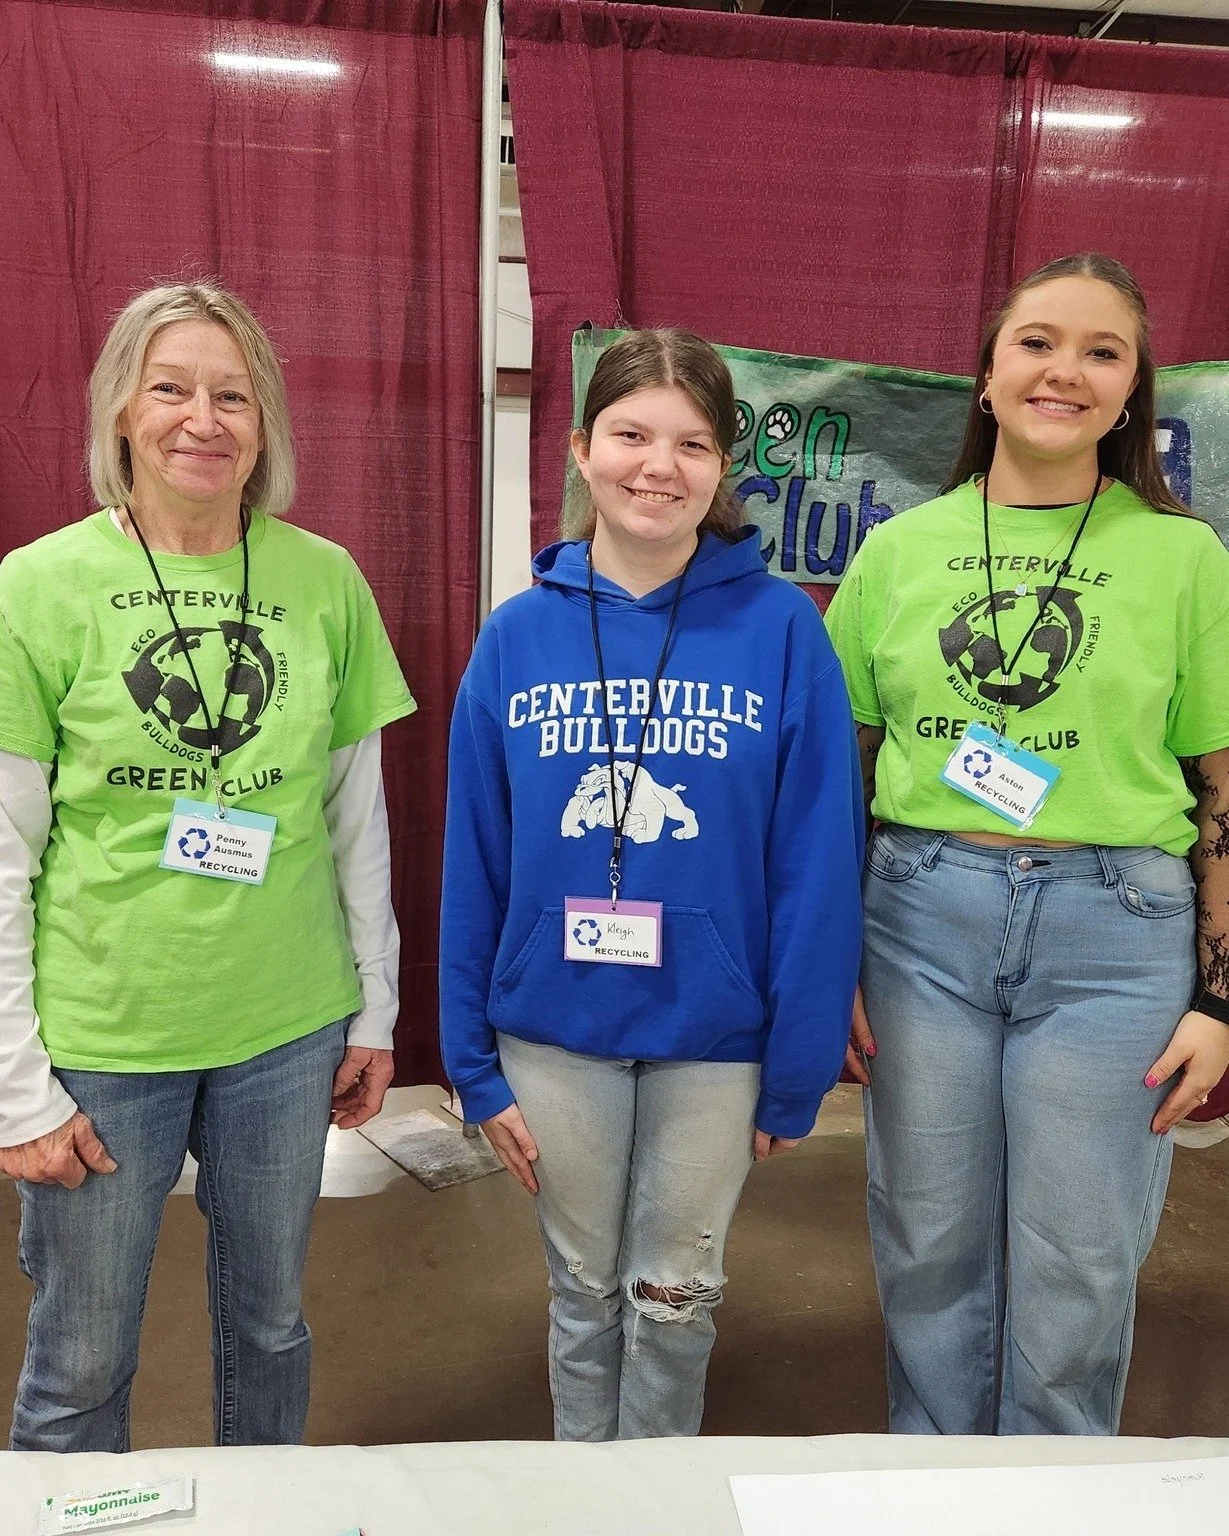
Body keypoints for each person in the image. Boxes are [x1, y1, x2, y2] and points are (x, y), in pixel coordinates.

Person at [0, 281, 417, 1451]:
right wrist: (16, 1084)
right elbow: (3, 850)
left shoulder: (323, 580)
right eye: (170, 388)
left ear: (266, 422)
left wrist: (373, 1009)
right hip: (103, 1041)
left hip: (282, 1036)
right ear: (121, 413)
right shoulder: (38, 587)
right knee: (79, 1362)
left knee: (270, 1331)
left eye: (232, 395)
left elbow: (353, 822)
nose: (203, 419)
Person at [826, 253, 1229, 1436]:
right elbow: (839, 780)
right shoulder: (898, 553)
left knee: (1075, 1269)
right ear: (987, 377)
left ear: (1130, 391)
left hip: (1116, 938)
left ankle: (1051, 1499)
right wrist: (834, 960)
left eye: (1100, 352)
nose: (1065, 371)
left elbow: (1218, 789)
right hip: (918, 924)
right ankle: (934, 1488)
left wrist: (1218, 997)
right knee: (926, 1245)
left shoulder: (1183, 558)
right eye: (1036, 343)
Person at [440, 328, 864, 1441]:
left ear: (723, 466)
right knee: (580, 1295)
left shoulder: (782, 631)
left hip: (714, 1041)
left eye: (689, 442)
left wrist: (797, 1070)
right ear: (580, 449)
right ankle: (588, 1494)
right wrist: (471, 1068)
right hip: (551, 1031)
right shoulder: (516, 638)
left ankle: (656, 1495)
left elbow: (817, 864)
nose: (656, 465)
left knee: (673, 1303)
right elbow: (473, 860)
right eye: (629, 434)